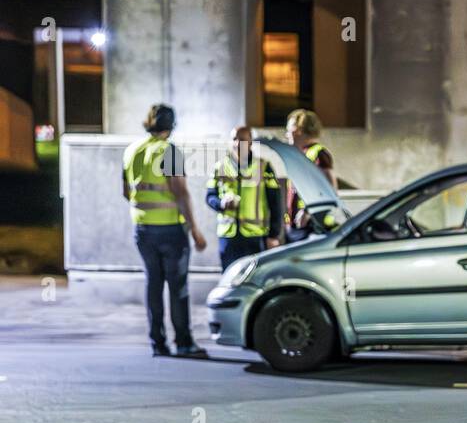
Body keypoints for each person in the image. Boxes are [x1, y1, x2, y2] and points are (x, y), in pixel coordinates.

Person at [122, 103, 208, 359]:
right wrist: (195, 229)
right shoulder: (168, 151)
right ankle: (183, 342)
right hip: (171, 230)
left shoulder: (132, 151)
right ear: (171, 127)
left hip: (143, 229)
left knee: (154, 285)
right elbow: (180, 192)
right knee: (178, 287)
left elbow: (126, 192)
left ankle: (157, 343)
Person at [205, 126, 282, 270]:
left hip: (254, 236)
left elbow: (275, 202)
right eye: (234, 139)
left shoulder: (264, 167)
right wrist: (221, 203)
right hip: (228, 236)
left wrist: (274, 235)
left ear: (251, 142)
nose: (237, 144)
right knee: (229, 278)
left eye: (242, 139)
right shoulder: (220, 167)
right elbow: (210, 196)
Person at [283, 108, 338, 243]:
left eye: (289, 131)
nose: (287, 135)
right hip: (298, 225)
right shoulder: (300, 155)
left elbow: (330, 189)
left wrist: (308, 212)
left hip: (312, 226)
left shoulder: (318, 153)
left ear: (299, 130)